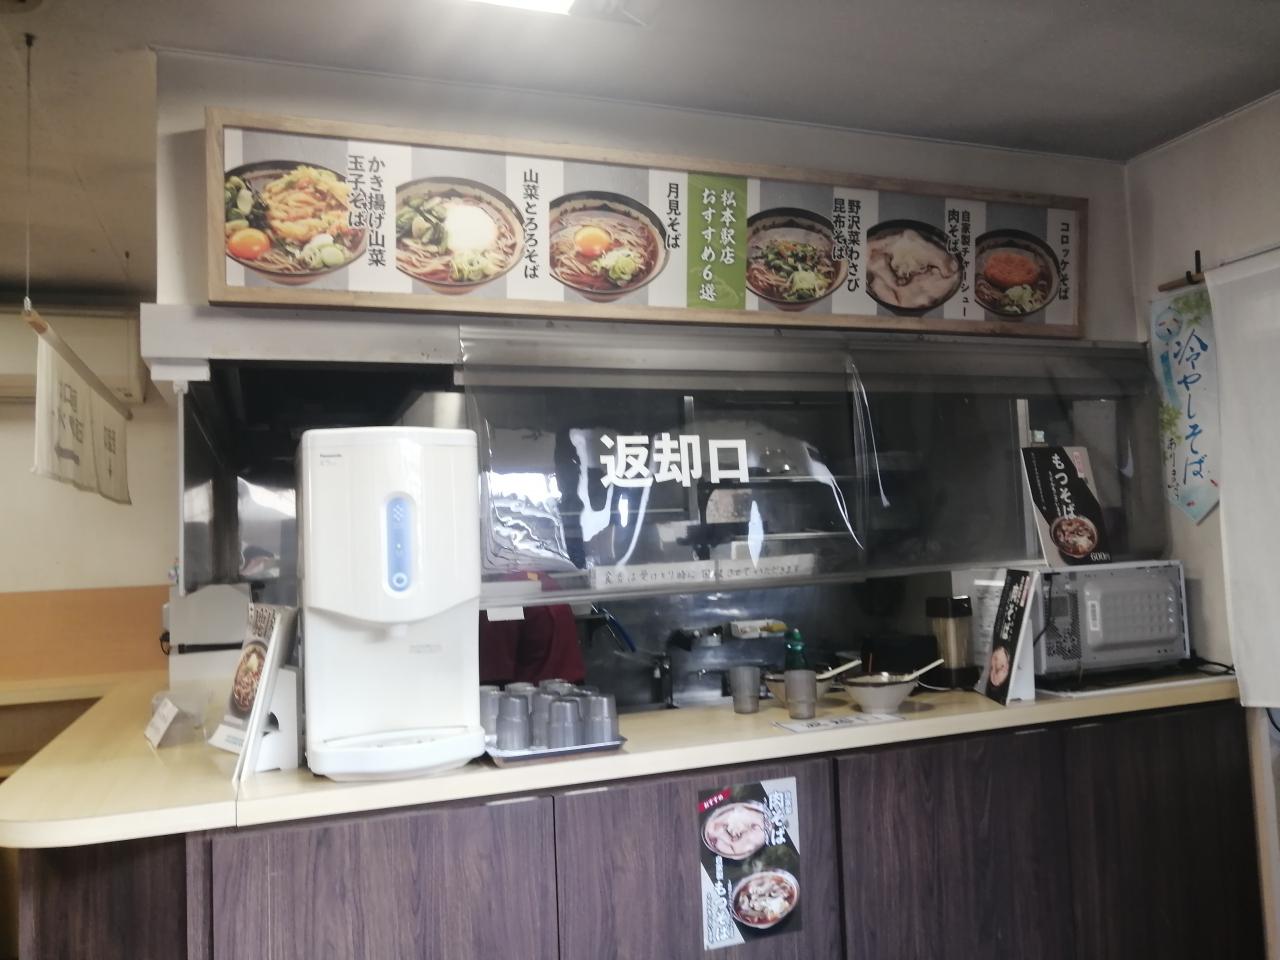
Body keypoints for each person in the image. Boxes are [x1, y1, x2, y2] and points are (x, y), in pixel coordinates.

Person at [479, 604, 586, 686]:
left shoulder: (504, 602)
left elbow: (494, 680)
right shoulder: (545, 587)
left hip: (533, 696)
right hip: (571, 689)